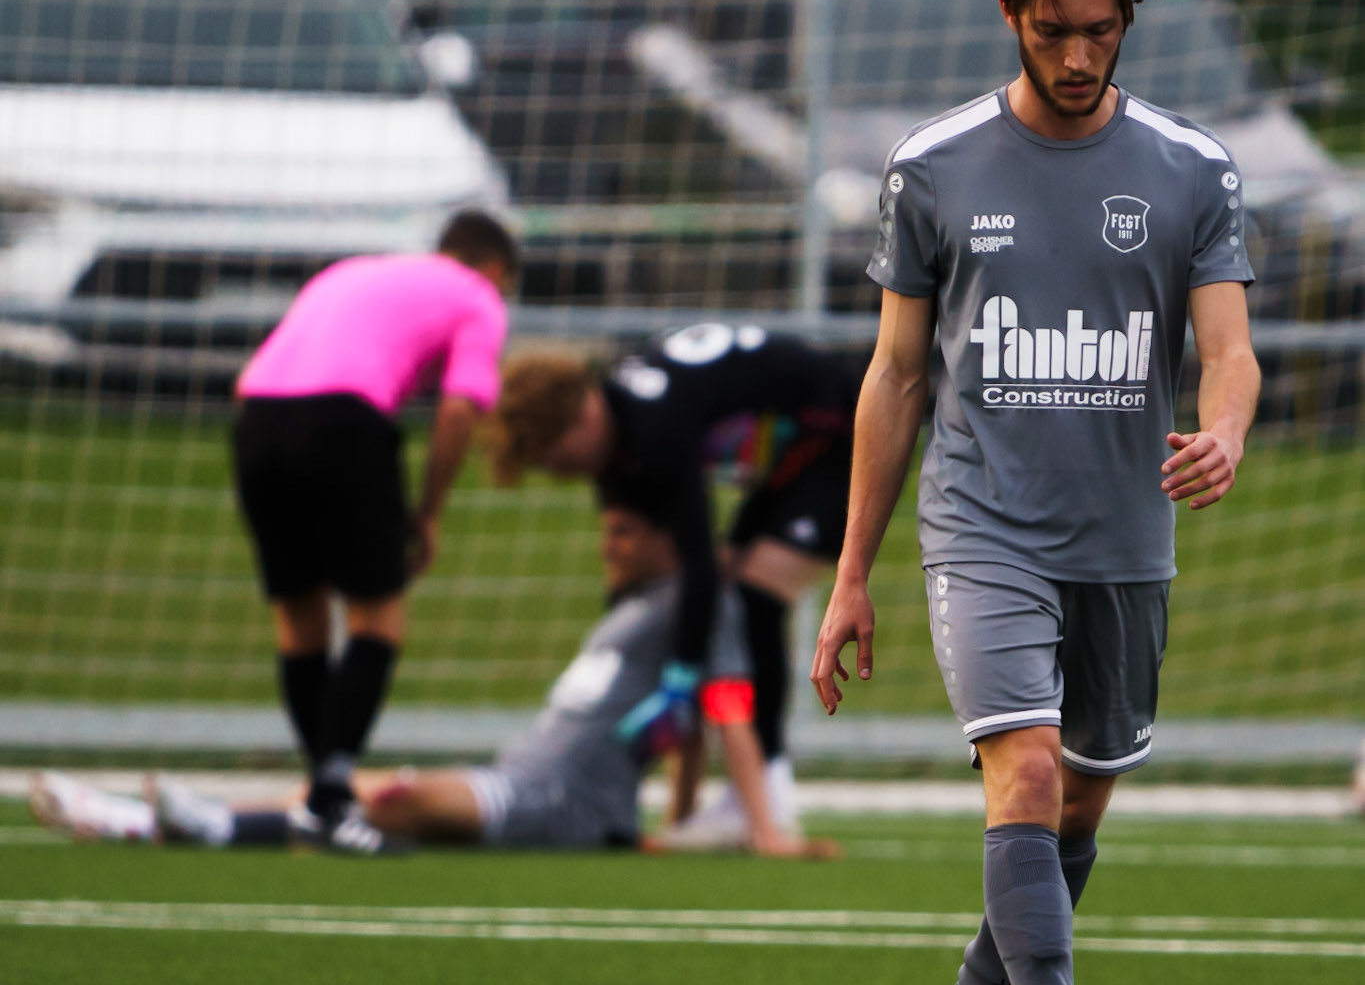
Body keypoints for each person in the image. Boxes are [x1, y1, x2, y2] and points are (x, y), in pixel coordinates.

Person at [811, 0, 1260, 985]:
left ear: (1127, 24)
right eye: (1053, 29)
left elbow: (1229, 350)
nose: (1076, 56)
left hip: (1124, 537)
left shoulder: (1191, 168)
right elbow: (897, 374)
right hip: (982, 525)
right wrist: (851, 571)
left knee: (1076, 810)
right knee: (1026, 767)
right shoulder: (935, 165)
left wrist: (1224, 431)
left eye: (1099, 32)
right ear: (1010, 14)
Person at [32, 500, 836, 859]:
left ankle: (198, 825)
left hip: (556, 802)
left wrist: (764, 832)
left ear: (667, 538)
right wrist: (681, 817)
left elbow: (724, 706)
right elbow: (676, 718)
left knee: (393, 798)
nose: (607, 546)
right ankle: (150, 820)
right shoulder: (638, 607)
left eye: (622, 532)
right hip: (522, 779)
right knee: (347, 791)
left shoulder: (699, 601)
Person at [488, 323, 857, 832]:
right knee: (718, 613)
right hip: (787, 450)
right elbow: (642, 577)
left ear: (583, 417)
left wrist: (680, 678)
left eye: (560, 460)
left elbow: (697, 560)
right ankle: (690, 808)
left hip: (838, 425)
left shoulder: (655, 429)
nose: (562, 474)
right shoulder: (619, 435)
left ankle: (767, 795)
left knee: (752, 602)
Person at [230, 208, 517, 841]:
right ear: (496, 268)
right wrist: (429, 511)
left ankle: (323, 792)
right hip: (345, 422)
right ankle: (333, 796)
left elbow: (252, 376)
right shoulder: (479, 296)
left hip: (256, 422)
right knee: (377, 618)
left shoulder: (349, 272)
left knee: (299, 620)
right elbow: (460, 409)